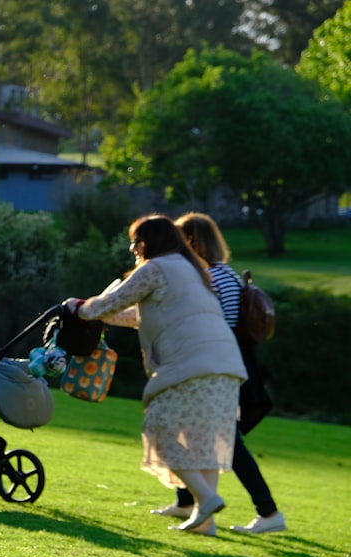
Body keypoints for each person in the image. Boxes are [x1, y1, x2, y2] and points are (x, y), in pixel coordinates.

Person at [65, 214, 247, 536]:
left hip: (192, 365)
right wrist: (100, 315)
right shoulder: (192, 269)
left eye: (136, 242)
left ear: (151, 242)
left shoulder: (155, 269)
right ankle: (205, 522)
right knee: (203, 440)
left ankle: (206, 498)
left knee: (158, 427)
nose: (133, 249)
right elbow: (139, 315)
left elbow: (114, 300)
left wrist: (78, 308)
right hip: (225, 363)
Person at [152, 212, 285, 534]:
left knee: (228, 442)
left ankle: (268, 513)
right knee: (195, 431)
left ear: (192, 242)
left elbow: (212, 325)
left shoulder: (212, 276)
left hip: (218, 367)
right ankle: (186, 501)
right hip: (230, 363)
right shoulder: (225, 274)